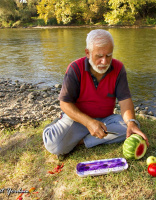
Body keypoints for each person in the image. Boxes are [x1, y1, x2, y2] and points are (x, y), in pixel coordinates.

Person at [43, 29, 149, 157]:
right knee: (54, 144)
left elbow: (125, 100)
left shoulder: (119, 68)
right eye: (99, 56)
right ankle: (59, 127)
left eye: (109, 55)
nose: (104, 61)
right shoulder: (75, 69)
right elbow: (65, 104)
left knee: (131, 126)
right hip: (78, 119)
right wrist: (89, 123)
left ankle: (81, 141)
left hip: (105, 121)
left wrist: (131, 122)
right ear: (87, 53)